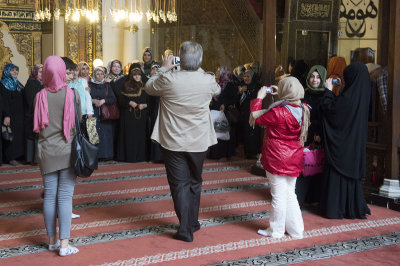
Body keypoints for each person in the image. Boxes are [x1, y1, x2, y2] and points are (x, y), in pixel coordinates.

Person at [145, 41, 221, 242]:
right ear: (200, 61)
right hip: (199, 141)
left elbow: (149, 87)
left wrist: (164, 68)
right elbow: (217, 90)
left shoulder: (168, 78)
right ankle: (192, 222)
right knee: (195, 182)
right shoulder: (207, 80)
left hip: (174, 140)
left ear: (179, 59)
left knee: (180, 185)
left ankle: (186, 229)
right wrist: (196, 67)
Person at [251, 77, 310, 239]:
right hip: (294, 156)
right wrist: (282, 95)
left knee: (278, 195)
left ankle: (276, 231)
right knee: (290, 194)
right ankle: (296, 231)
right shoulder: (304, 109)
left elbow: (256, 118)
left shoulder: (278, 112)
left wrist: (259, 98)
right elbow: (288, 104)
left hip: (277, 156)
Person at [33, 55, 81, 256]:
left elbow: (36, 127)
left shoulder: (40, 95)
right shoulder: (72, 94)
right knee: (65, 196)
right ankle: (64, 244)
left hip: (46, 151)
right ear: (62, 72)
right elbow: (77, 124)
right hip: (67, 150)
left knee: (50, 195)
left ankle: (52, 241)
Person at [320, 62, 371, 219]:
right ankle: (351, 207)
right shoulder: (362, 95)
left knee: (338, 172)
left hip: (343, 147)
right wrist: (341, 90)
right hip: (355, 145)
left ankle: (336, 208)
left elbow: (330, 109)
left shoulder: (348, 98)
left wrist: (328, 91)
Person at [295, 65, 327, 205]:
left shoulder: (326, 95)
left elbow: (326, 117)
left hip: (317, 136)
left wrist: (319, 133)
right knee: (302, 165)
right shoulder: (304, 93)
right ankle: (301, 197)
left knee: (315, 165)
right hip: (303, 135)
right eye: (312, 76)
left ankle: (314, 197)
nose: (315, 80)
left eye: (318, 77)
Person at [116, 65, 149, 163]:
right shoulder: (126, 85)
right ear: (131, 76)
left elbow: (151, 101)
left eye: (139, 75)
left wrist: (145, 105)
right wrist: (129, 103)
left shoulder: (146, 86)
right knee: (129, 137)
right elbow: (120, 100)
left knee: (140, 136)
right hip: (128, 115)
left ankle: (141, 156)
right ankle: (129, 156)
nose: (137, 77)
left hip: (142, 116)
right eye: (135, 75)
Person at [208, 66, 236, 160]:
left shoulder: (229, 85)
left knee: (222, 132)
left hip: (224, 113)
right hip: (215, 111)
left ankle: (223, 154)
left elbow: (234, 99)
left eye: (218, 72)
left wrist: (225, 104)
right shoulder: (217, 83)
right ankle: (214, 153)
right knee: (215, 133)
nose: (216, 73)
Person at [89, 67, 116, 160]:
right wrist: (93, 101)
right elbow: (85, 97)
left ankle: (106, 155)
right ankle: (96, 156)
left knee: (106, 134)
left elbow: (113, 99)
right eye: (97, 74)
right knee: (95, 134)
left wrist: (104, 100)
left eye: (101, 74)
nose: (100, 76)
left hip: (105, 115)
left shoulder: (107, 86)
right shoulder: (90, 85)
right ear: (94, 75)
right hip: (94, 112)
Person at [0, 63, 25, 166]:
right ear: (7, 71)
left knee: (18, 136)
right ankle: (10, 157)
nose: (15, 72)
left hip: (19, 115)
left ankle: (18, 155)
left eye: (16, 70)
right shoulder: (3, 84)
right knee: (9, 136)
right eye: (13, 70)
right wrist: (6, 115)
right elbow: (3, 102)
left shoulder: (17, 84)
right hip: (10, 115)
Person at [23, 64, 44, 165]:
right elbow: (30, 100)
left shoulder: (42, 83)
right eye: (40, 72)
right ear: (35, 72)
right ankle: (31, 158)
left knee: (38, 136)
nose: (42, 74)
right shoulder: (31, 83)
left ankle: (36, 159)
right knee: (32, 136)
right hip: (32, 113)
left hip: (39, 113)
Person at [238, 69, 261, 159]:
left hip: (254, 113)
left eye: (248, 76)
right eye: (244, 76)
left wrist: (248, 90)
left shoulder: (257, 86)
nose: (246, 78)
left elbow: (257, 99)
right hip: (245, 114)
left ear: (252, 77)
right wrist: (240, 92)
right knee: (246, 133)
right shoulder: (241, 86)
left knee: (254, 132)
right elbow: (239, 101)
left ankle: (254, 152)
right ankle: (248, 152)